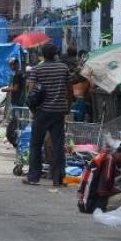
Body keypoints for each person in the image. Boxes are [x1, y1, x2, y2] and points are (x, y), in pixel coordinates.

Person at [24, 43, 71, 186]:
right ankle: (58, 179)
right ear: (56, 54)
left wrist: (33, 110)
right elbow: (68, 89)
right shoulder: (63, 68)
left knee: (36, 144)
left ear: (42, 55)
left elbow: (31, 91)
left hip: (42, 112)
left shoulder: (37, 69)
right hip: (58, 112)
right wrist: (67, 106)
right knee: (58, 145)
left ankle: (33, 177)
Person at [77, 142, 121, 213]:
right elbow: (102, 192)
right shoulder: (109, 161)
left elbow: (104, 186)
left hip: (84, 203)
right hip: (93, 206)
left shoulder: (104, 157)